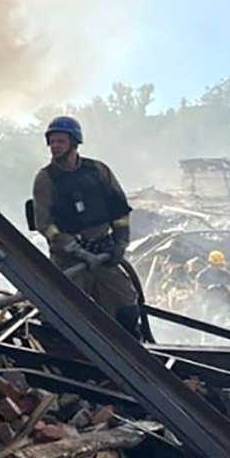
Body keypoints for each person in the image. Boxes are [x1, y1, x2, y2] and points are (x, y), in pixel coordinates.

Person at [31, 115, 142, 337]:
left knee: (124, 303)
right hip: (68, 261)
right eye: (52, 142)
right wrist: (70, 246)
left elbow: (119, 210)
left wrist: (120, 243)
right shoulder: (46, 179)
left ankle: (130, 352)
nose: (55, 146)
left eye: (60, 141)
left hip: (103, 253)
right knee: (62, 312)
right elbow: (44, 223)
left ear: (74, 142)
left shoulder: (98, 171)